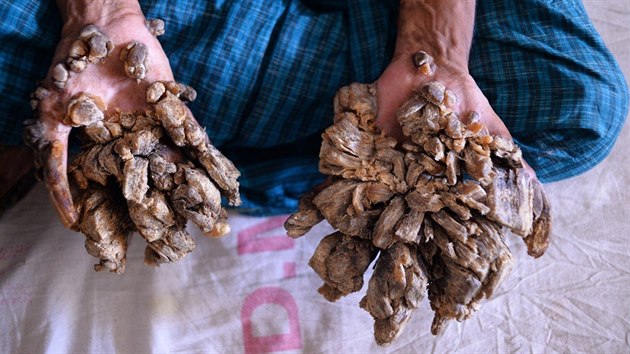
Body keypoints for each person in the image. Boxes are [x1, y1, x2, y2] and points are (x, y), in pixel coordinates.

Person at [0, 0, 627, 223]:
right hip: (179, 15)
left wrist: (432, 54)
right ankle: (262, 172)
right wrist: (102, 17)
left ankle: (255, 172)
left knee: (581, 105)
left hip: (376, 24)